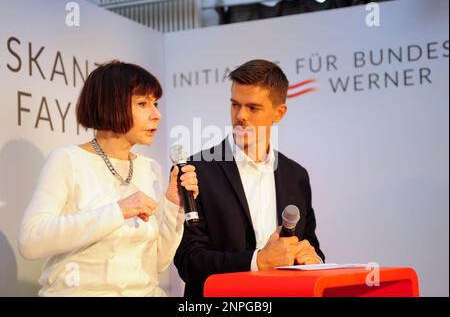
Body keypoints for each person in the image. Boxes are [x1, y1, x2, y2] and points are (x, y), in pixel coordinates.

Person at [19, 60, 199, 297]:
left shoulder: (150, 168)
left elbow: (156, 263)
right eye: (143, 104)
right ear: (111, 105)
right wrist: (117, 210)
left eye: (155, 104)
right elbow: (31, 241)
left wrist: (173, 206)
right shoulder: (67, 160)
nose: (157, 115)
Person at [174, 59, 324, 297]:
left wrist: (311, 258)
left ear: (279, 112)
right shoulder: (196, 170)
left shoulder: (296, 175)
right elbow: (189, 261)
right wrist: (257, 261)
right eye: (235, 105)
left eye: (253, 108)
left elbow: (310, 244)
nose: (240, 116)